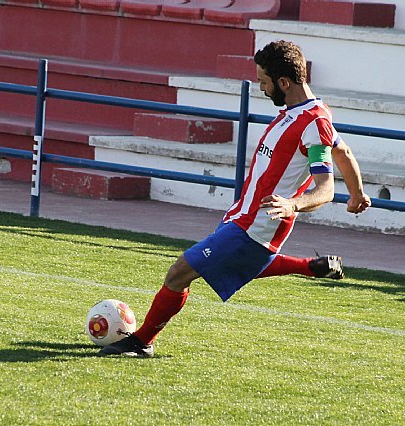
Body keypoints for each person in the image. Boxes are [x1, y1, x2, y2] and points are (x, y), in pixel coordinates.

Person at [99, 40, 371, 357]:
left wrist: (293, 204)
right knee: (235, 265)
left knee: (178, 274)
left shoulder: (313, 123)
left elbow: (325, 188)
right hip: (242, 218)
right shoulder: (301, 114)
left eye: (265, 82)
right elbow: (344, 150)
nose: (262, 88)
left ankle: (141, 341)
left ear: (285, 83)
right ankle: (311, 267)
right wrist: (359, 194)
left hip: (254, 227)